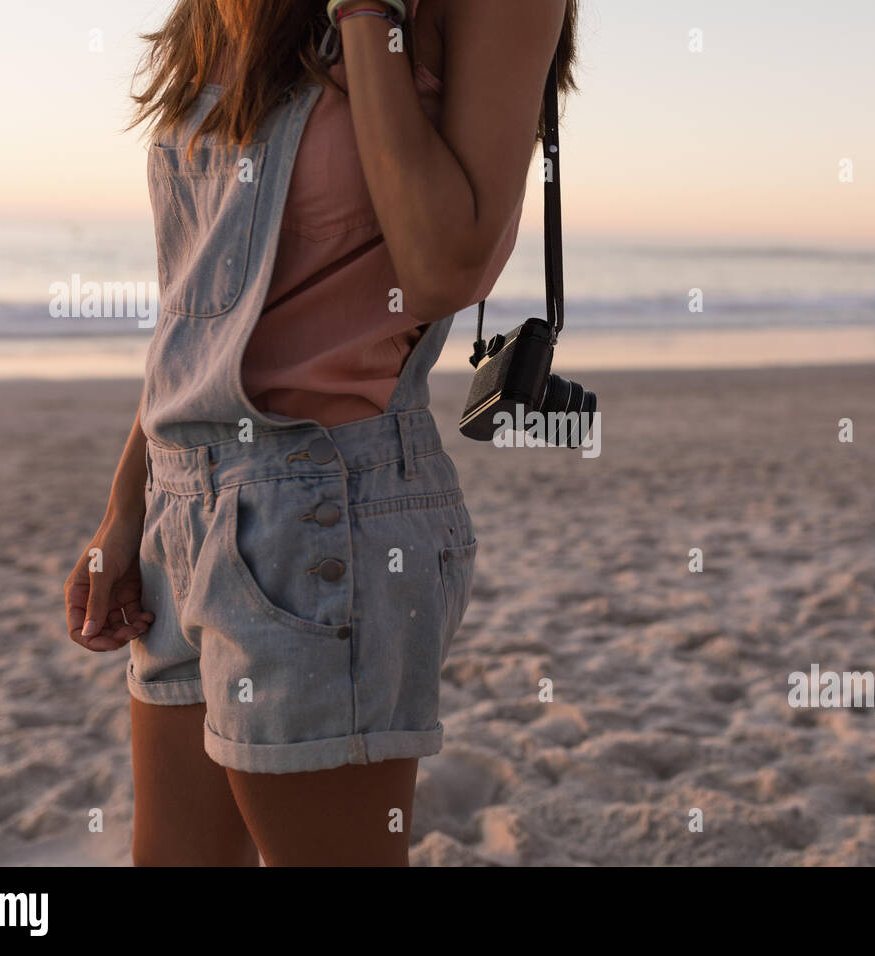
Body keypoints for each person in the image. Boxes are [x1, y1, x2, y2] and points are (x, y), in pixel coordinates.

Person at [62, 0, 577, 866]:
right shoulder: (227, 12)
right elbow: (199, 306)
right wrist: (126, 508)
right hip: (180, 511)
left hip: (329, 510)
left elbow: (447, 264)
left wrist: (366, 14)